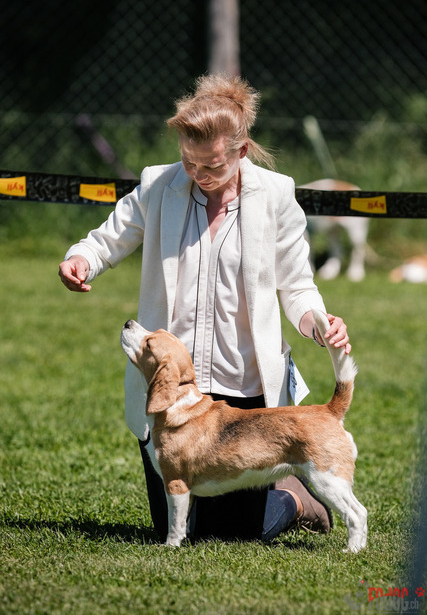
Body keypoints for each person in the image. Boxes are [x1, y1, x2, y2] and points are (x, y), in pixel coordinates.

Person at [59, 74, 351, 543]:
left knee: (232, 535)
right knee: (174, 528)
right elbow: (107, 239)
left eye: (212, 164)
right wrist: (81, 260)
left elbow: (297, 286)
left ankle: (297, 499)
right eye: (188, 161)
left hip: (245, 392)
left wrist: (320, 323)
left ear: (241, 150)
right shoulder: (158, 185)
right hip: (170, 390)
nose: (198, 174)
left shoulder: (276, 195)